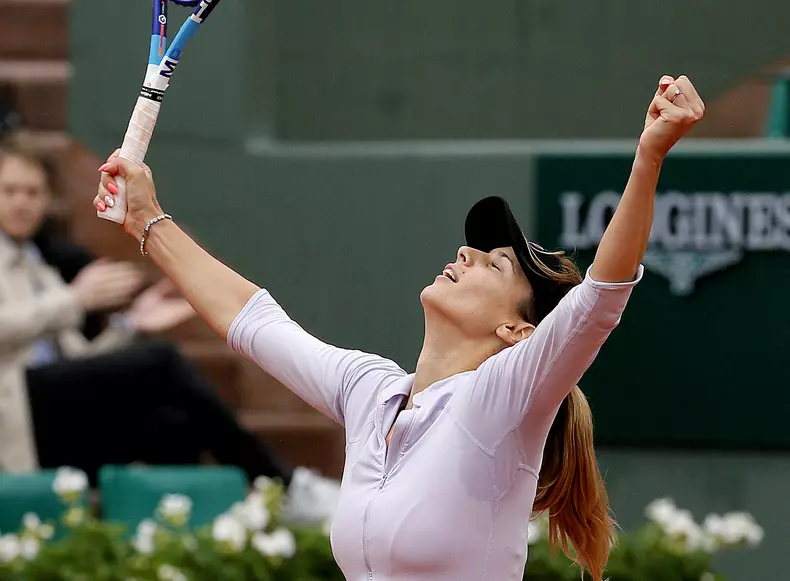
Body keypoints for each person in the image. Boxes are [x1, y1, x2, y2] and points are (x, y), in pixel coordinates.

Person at [94, 75, 704, 580]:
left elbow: (601, 296)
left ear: (518, 333)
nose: (466, 254)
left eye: (496, 264)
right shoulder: (371, 391)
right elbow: (252, 319)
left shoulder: (502, 400)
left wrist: (649, 155)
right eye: (474, 249)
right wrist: (146, 218)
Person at [0, 142, 339, 525]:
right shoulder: (46, 280)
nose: (22, 203)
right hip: (12, 417)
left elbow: (75, 361)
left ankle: (190, 539)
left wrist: (131, 325)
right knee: (161, 362)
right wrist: (74, 300)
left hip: (45, 417)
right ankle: (282, 483)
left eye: (32, 192)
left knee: (171, 425)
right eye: (10, 191)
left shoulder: (38, 268)